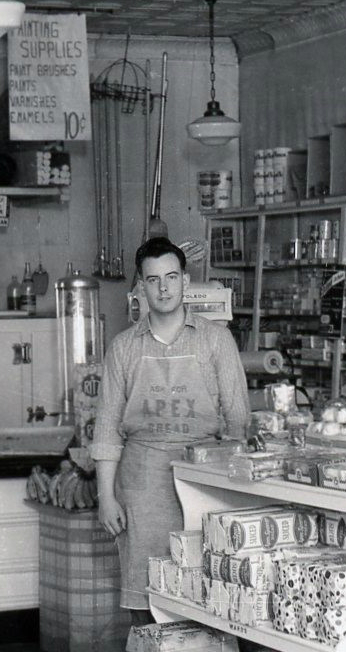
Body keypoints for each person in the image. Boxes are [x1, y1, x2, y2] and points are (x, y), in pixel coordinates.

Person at [92, 235, 250, 615]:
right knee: (145, 594)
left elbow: (238, 418)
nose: (163, 288)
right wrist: (105, 495)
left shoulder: (216, 340)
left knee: (211, 586)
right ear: (141, 287)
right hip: (143, 483)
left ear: (185, 279)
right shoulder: (124, 347)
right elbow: (108, 427)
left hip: (205, 478)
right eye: (152, 280)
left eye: (171, 277)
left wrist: (232, 486)